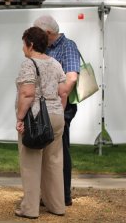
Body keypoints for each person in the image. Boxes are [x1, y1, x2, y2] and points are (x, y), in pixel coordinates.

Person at [15, 26, 67, 219]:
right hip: (56, 117)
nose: (22, 49)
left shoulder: (28, 64)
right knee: (54, 162)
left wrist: (20, 118)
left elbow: (27, 93)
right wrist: (58, 111)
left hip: (35, 118)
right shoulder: (55, 63)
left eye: (23, 44)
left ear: (30, 44)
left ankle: (29, 209)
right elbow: (63, 92)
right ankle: (57, 206)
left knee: (30, 163)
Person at [33, 15, 80, 206]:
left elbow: (71, 78)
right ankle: (50, 195)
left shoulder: (67, 46)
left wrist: (60, 107)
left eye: (38, 33)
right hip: (48, 107)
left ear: (48, 33)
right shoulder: (46, 48)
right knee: (48, 150)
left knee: (59, 150)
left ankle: (63, 196)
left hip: (62, 106)